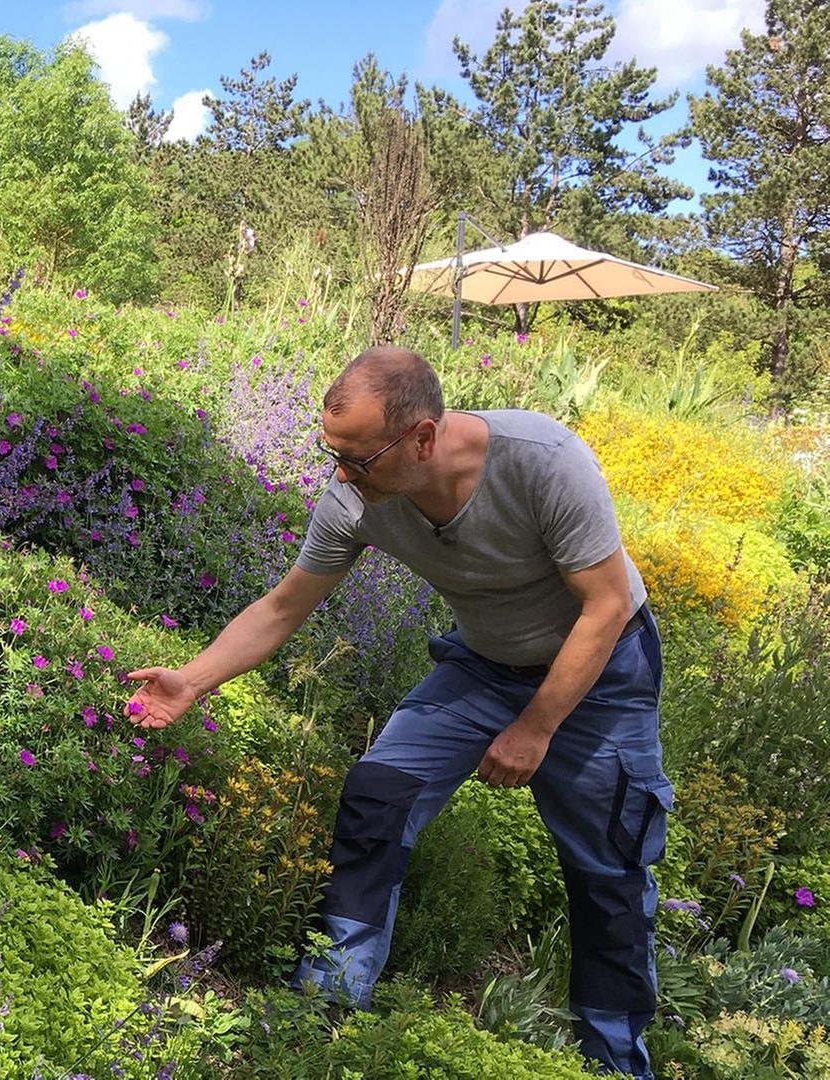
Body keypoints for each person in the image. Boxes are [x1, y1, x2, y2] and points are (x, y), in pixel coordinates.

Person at [123, 347, 669, 1079]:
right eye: (332, 453)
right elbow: (284, 607)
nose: (343, 474)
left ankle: (615, 1064)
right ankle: (322, 1017)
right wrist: (192, 680)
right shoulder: (354, 496)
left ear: (423, 437)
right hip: (483, 665)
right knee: (377, 795)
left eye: (361, 457)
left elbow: (603, 606)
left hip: (602, 671)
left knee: (609, 870)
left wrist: (535, 728)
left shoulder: (542, 460)